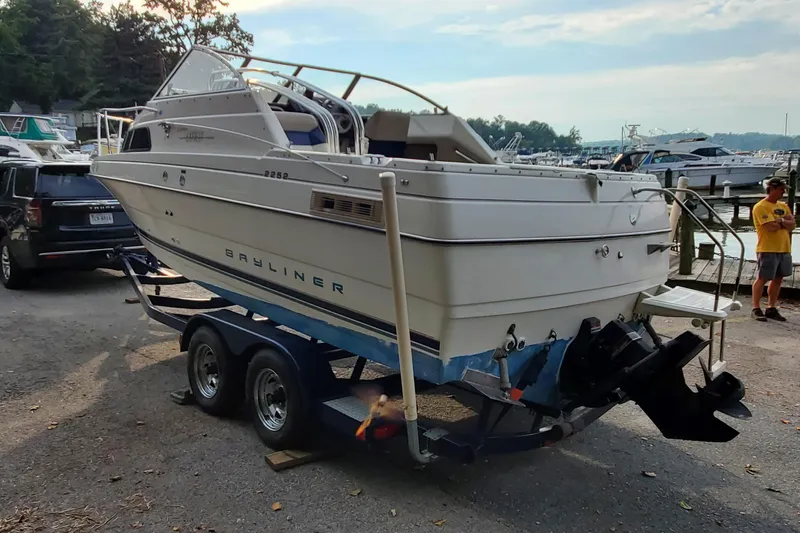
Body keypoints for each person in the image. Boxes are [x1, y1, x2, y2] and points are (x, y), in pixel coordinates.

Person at [751, 177, 795, 321]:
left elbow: (792, 225)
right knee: (763, 278)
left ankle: (771, 307)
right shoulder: (760, 207)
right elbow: (770, 227)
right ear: (773, 189)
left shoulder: (784, 206)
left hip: (784, 247)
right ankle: (756, 307)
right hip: (767, 247)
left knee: (778, 278)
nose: (783, 192)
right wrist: (784, 222)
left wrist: (780, 221)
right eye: (782, 189)